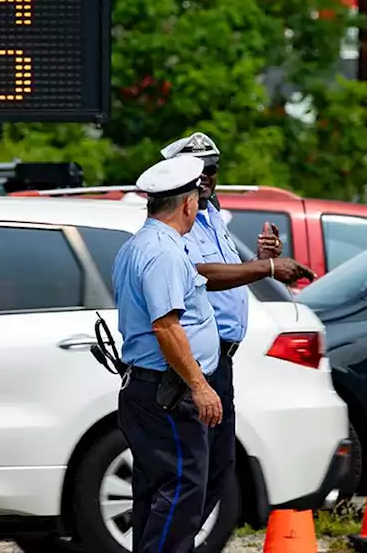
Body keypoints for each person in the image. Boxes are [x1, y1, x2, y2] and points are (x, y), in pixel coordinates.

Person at [160, 132, 316, 522]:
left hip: (220, 359)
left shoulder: (212, 215)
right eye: (199, 171)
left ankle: (185, 541)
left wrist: (263, 257)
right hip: (194, 359)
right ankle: (175, 543)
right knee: (193, 471)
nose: (208, 178)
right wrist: (266, 268)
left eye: (212, 169)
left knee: (216, 465)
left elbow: (229, 273)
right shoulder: (182, 221)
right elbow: (202, 275)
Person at [112, 155, 224, 553]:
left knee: (155, 492)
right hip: (169, 392)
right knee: (181, 490)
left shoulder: (139, 244)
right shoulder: (163, 252)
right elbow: (166, 326)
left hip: (149, 388)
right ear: (188, 203)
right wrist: (200, 386)